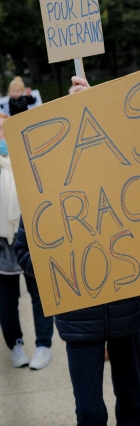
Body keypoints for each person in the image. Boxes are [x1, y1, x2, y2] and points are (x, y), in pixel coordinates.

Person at [26, 80, 140, 425]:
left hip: (126, 313)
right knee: (90, 411)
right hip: (79, 318)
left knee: (132, 402)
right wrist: (54, 269)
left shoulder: (127, 172)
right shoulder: (46, 187)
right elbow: (25, 249)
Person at [0, 119, 54, 370]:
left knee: (40, 295)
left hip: (30, 236)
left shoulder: (27, 156)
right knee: (6, 300)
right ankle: (16, 345)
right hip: (2, 244)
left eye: (4, 128)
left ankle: (44, 344)